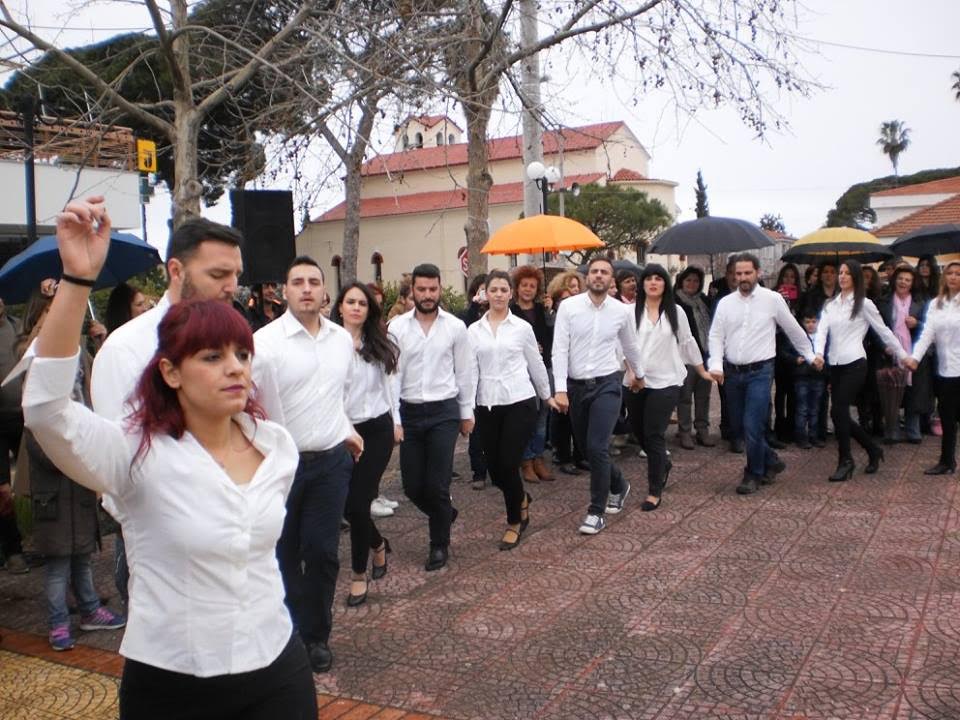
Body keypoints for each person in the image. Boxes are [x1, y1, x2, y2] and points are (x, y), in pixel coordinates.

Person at [23, 197, 317, 718]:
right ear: (170, 372)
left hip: (275, 663)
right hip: (174, 678)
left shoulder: (276, 447)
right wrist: (76, 280)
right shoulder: (136, 455)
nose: (236, 369)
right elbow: (47, 410)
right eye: (212, 357)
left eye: (242, 354)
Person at [253, 257, 362, 673]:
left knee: (321, 552)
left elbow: (341, 395)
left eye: (314, 282)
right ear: (284, 290)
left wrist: (346, 428)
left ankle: (316, 635)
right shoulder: (264, 343)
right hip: (280, 467)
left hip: (331, 462)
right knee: (282, 553)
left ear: (323, 291)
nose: (306, 289)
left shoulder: (340, 340)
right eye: (297, 282)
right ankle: (288, 629)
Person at [388, 263, 474, 571]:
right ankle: (444, 513)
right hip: (409, 412)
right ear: (412, 291)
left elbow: (465, 372)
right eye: (421, 289)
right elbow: (392, 376)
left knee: (438, 484)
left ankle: (439, 545)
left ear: (440, 289)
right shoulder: (397, 327)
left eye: (432, 289)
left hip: (443, 412)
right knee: (412, 486)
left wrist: (467, 413)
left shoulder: (455, 327)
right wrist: (395, 419)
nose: (427, 295)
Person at [552, 257, 645, 535]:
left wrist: (639, 375)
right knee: (590, 450)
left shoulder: (620, 312)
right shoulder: (568, 307)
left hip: (607, 384)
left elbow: (630, 345)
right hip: (576, 387)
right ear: (587, 276)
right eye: (594, 271)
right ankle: (619, 484)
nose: (599, 276)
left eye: (604, 272)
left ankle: (595, 511)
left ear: (611, 280)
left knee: (596, 446)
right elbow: (559, 349)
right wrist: (560, 388)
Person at [707, 253, 815, 495]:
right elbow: (716, 336)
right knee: (739, 427)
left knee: (752, 425)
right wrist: (715, 363)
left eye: (748, 273)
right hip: (732, 373)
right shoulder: (725, 303)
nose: (743, 277)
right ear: (733, 276)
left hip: (760, 372)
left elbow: (793, 330)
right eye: (739, 274)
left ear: (757, 273)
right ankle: (771, 460)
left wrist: (809, 354)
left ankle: (753, 473)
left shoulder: (773, 299)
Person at [468, 270, 554, 550]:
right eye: (494, 289)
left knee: (508, 462)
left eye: (504, 290)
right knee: (495, 470)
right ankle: (522, 498)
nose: (499, 295)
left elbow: (536, 363)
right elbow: (469, 372)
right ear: (485, 293)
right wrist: (466, 409)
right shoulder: (473, 331)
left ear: (510, 294)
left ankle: (515, 521)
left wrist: (547, 395)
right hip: (487, 403)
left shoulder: (521, 328)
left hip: (520, 400)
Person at [330, 282, 399, 606]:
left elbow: (391, 388)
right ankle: (378, 544)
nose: (356, 307)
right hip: (340, 431)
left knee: (359, 504)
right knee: (347, 506)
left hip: (377, 431)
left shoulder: (380, 345)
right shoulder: (326, 344)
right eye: (350, 302)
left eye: (362, 303)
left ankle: (359, 575)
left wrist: (397, 423)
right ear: (340, 307)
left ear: (369, 310)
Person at [625, 265, 712, 511]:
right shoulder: (630, 312)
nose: (653, 282)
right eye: (648, 279)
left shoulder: (677, 312)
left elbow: (687, 342)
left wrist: (702, 370)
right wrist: (631, 372)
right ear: (642, 285)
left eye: (658, 278)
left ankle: (654, 490)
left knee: (653, 434)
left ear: (665, 283)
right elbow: (621, 345)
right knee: (639, 432)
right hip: (634, 382)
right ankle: (662, 461)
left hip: (666, 381)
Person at [812, 260, 908, 482]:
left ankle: (846, 461)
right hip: (834, 364)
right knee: (839, 414)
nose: (842, 276)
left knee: (838, 411)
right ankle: (872, 449)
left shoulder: (864, 304)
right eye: (841, 273)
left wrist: (902, 356)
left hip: (855, 363)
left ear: (855, 277)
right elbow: (822, 332)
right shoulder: (831, 305)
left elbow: (884, 332)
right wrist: (818, 354)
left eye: (847, 273)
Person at [904, 261, 960, 473]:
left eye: (958, 273)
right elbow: (927, 333)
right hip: (945, 368)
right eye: (950, 273)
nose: (954, 277)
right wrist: (915, 358)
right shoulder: (936, 303)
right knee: (947, 417)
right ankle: (947, 461)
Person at [877, 265, 932, 444]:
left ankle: (912, 428)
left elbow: (931, 327)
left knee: (913, 390)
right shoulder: (883, 301)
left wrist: (917, 323)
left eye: (908, 279)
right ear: (895, 280)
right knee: (891, 391)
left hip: (914, 352)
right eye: (900, 278)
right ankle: (891, 429)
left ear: (912, 283)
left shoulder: (922, 302)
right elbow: (875, 328)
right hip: (890, 353)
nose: (903, 282)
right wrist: (883, 346)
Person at [510, 265, 555, 484]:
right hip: (521, 370)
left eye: (532, 286)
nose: (528, 289)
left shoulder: (541, 310)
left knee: (543, 415)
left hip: (544, 366)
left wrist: (550, 312)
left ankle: (538, 457)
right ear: (517, 288)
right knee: (527, 416)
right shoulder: (510, 311)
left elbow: (553, 335)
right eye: (524, 285)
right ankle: (526, 460)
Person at [544, 278, 585, 475]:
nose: (574, 291)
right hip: (559, 367)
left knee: (579, 414)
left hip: (579, 367)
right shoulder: (551, 313)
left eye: (576, 287)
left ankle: (580, 454)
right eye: (567, 291)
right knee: (561, 414)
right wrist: (550, 312)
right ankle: (562, 454)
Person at [0, 296, 27, 574]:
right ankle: (13, 549)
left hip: (24, 416)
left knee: (34, 483)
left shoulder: (17, 327)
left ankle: (48, 545)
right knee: (3, 490)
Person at [674, 266, 714, 449]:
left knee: (703, 396)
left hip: (705, 356)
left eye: (696, 281)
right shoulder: (675, 302)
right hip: (684, 357)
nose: (692, 284)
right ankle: (684, 431)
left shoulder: (704, 301)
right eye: (688, 280)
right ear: (681, 281)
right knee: (684, 396)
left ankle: (702, 429)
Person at [460, 275, 489, 488]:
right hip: (472, 377)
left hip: (492, 376)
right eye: (483, 290)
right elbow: (464, 331)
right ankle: (478, 472)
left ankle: (496, 468)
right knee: (476, 429)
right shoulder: (467, 316)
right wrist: (474, 306)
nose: (486, 294)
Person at [773, 263, 802, 442]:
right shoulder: (774, 296)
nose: (788, 280)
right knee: (780, 390)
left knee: (794, 390)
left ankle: (792, 426)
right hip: (777, 347)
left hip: (795, 348)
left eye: (792, 277)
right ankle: (779, 425)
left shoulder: (801, 297)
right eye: (785, 276)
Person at [791, 308, 826, 449]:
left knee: (815, 408)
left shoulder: (822, 338)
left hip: (818, 377)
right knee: (802, 408)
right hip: (802, 377)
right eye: (807, 322)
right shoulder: (799, 337)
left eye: (813, 321)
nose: (811, 325)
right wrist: (795, 359)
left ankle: (814, 435)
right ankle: (801, 436)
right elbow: (788, 351)